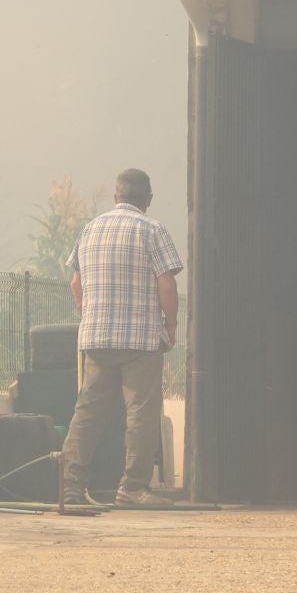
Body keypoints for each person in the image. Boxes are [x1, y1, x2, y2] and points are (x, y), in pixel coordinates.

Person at [61, 168, 182, 509]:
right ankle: (132, 487)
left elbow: (75, 283)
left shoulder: (90, 229)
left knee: (87, 412)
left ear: (116, 197)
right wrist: (170, 325)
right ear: (148, 200)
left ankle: (70, 487)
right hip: (140, 339)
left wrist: (90, 314)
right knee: (141, 414)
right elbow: (167, 283)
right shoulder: (153, 229)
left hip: (96, 338)